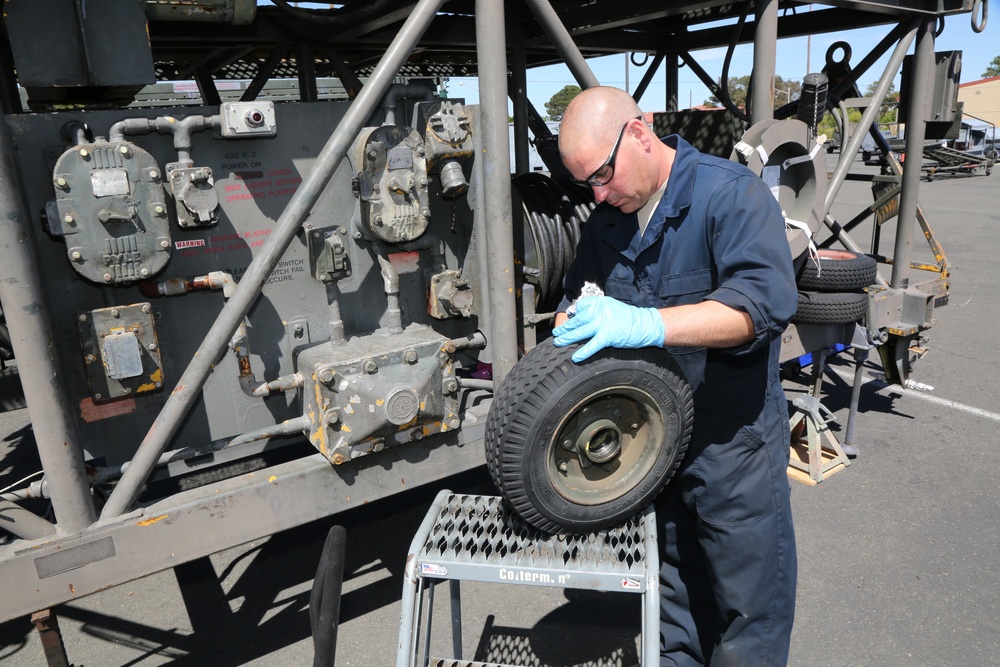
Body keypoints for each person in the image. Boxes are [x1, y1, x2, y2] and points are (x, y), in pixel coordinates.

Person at [553, 86, 799, 666]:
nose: (600, 192)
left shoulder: (729, 196)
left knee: (747, 617)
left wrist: (646, 324)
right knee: (673, 606)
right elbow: (575, 299)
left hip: (733, 448)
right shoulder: (606, 223)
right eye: (586, 182)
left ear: (640, 132)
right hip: (654, 449)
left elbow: (757, 308)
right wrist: (571, 322)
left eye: (604, 174)